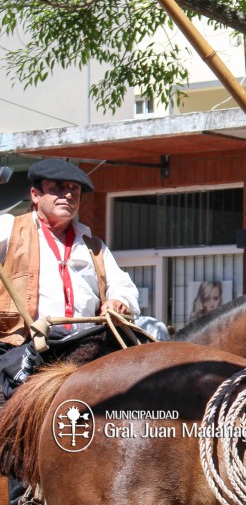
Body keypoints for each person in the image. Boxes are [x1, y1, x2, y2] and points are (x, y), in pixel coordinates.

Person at [0, 158, 140, 504]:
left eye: (73, 190)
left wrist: (118, 302)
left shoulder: (92, 243)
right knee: (19, 418)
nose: (66, 195)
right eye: (56, 189)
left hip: (86, 344)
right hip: (25, 345)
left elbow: (124, 286)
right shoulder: (8, 229)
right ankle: (22, 493)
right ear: (35, 194)